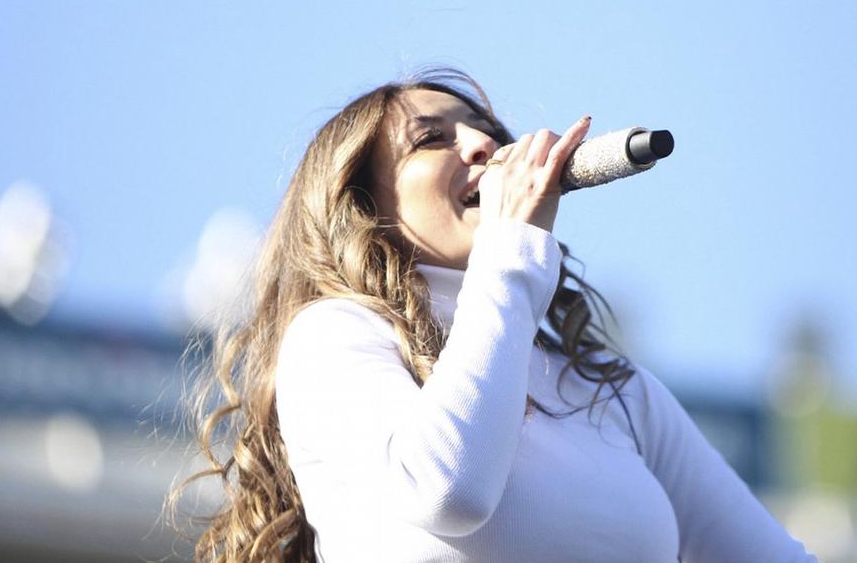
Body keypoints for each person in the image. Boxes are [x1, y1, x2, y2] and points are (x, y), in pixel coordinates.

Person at [172, 69, 816, 562]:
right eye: (432, 138)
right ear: (361, 204)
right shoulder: (334, 337)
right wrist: (510, 257)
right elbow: (450, 492)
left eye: (489, 132)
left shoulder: (615, 394)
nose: (485, 145)